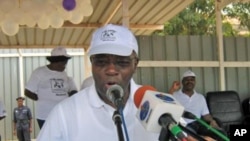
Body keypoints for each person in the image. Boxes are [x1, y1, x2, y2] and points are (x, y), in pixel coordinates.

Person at [24, 46, 78, 129]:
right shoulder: (39, 72)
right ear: (55, 61)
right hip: (45, 115)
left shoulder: (64, 74)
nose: (65, 65)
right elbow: (28, 91)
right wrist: (41, 98)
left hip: (63, 114)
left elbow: (72, 91)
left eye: (65, 62)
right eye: (63, 62)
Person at [168, 70, 227, 141]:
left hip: (198, 123)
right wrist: (172, 89)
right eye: (187, 79)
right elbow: (166, 102)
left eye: (192, 79)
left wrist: (212, 121)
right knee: (191, 139)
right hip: (183, 125)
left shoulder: (200, 97)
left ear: (195, 82)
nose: (190, 81)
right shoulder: (175, 95)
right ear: (182, 82)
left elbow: (206, 115)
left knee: (221, 134)